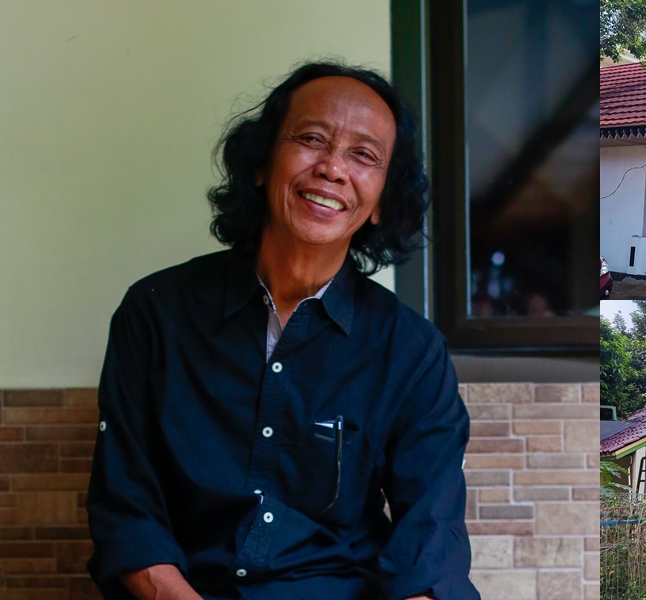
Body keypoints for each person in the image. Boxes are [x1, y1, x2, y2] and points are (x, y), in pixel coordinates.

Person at [86, 63, 477, 600]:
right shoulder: (155, 314)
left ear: (383, 200)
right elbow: (126, 511)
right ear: (261, 164)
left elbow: (430, 549)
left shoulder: (412, 351)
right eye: (311, 139)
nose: (333, 168)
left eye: (364, 155)